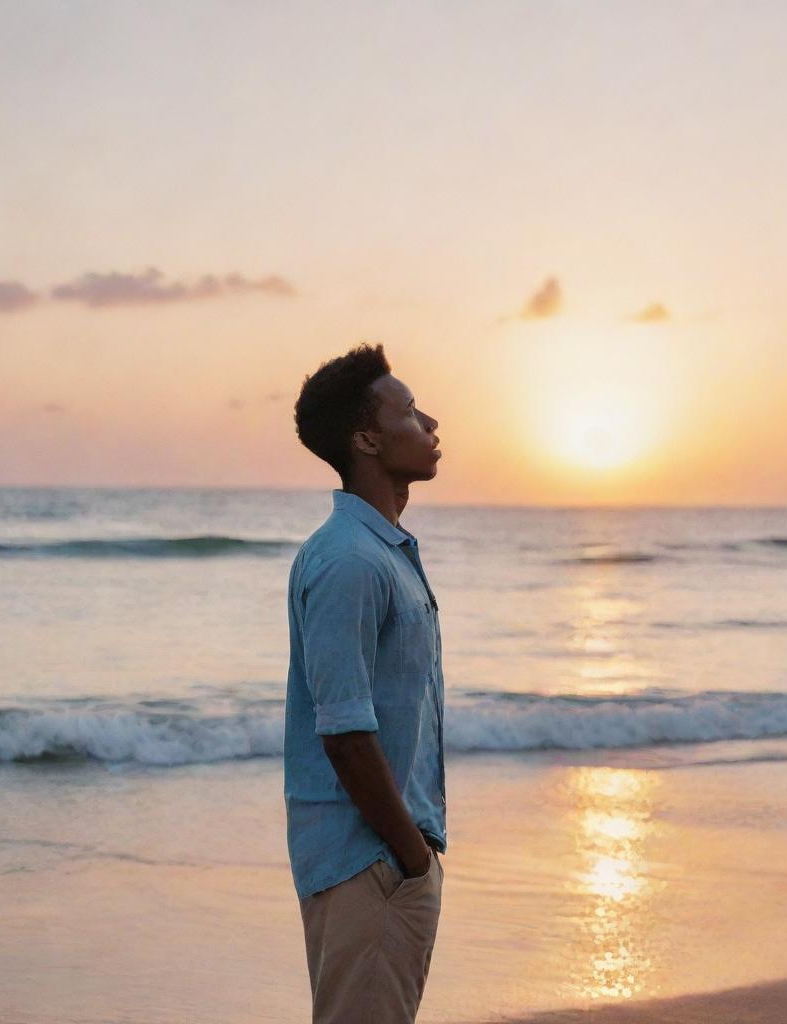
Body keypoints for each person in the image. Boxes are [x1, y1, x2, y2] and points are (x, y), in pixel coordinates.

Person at [284, 341, 446, 1023]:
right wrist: (408, 855)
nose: (431, 423)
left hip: (387, 858)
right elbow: (345, 732)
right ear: (367, 439)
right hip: (370, 863)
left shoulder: (383, 551)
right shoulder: (350, 561)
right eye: (409, 413)